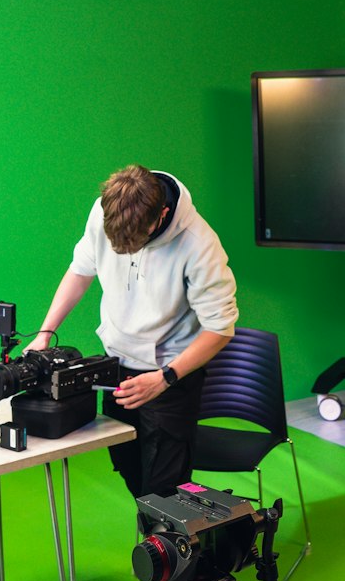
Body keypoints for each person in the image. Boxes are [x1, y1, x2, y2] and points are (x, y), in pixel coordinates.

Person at [26, 165, 238, 506]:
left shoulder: (199, 246)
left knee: (165, 490)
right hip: (117, 368)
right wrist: (45, 333)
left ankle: (174, 550)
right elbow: (80, 271)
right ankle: (163, 544)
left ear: (162, 215)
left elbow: (220, 328)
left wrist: (166, 377)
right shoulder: (103, 211)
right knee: (129, 470)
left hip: (170, 376)